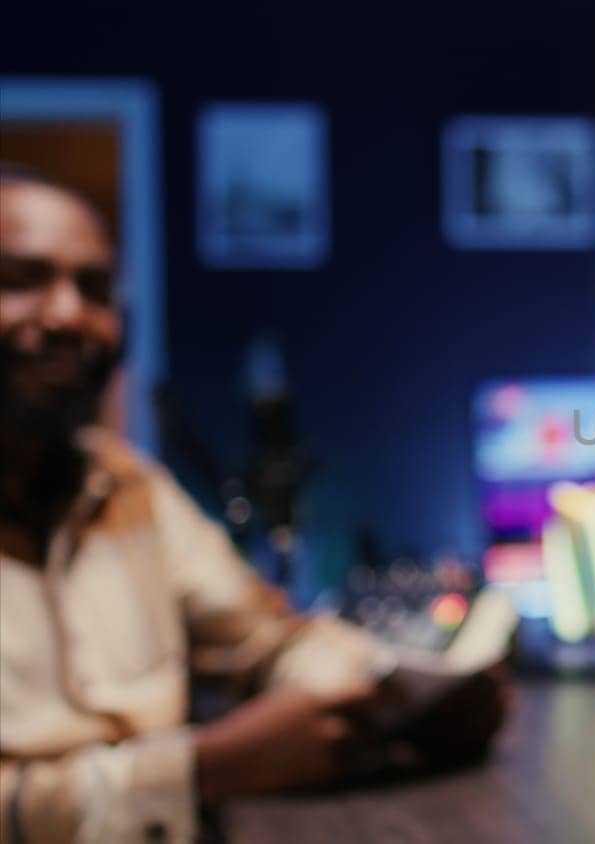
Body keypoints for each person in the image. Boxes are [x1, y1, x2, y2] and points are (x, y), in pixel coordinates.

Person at [0, 165, 505, 843]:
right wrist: (202, 770)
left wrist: (401, 695)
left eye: (94, 288)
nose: (67, 315)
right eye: (20, 279)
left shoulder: (129, 488)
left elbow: (265, 642)